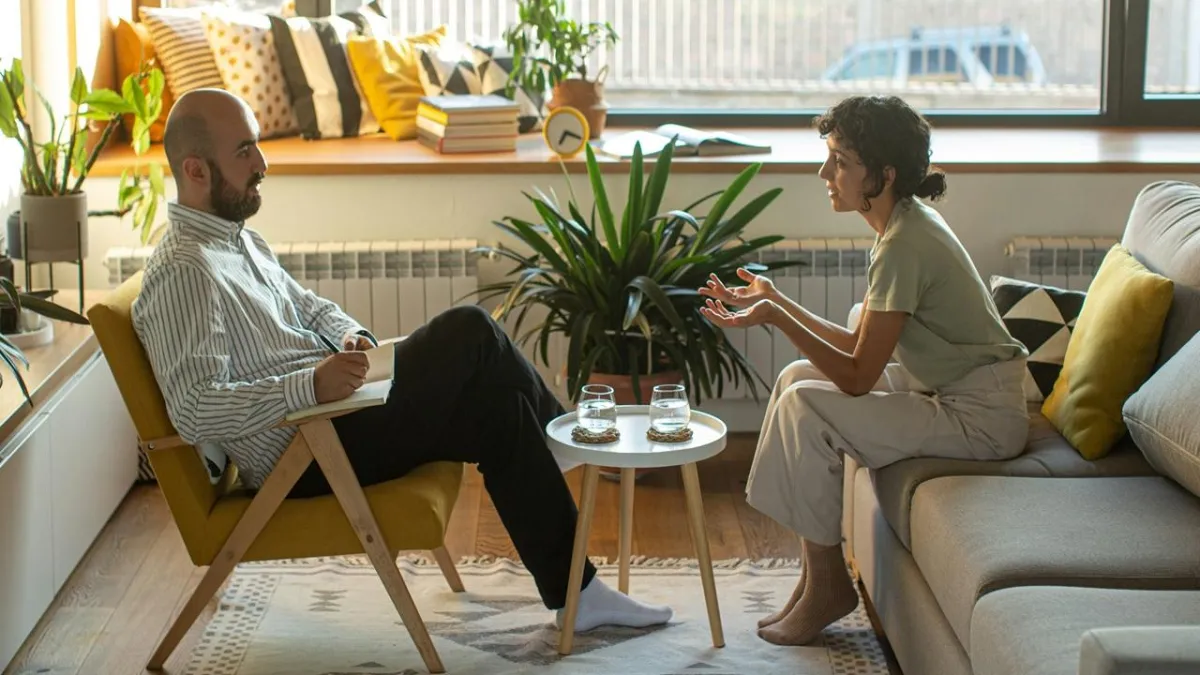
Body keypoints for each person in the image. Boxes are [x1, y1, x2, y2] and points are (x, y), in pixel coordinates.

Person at [132, 88, 672, 634]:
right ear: (196, 170)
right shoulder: (185, 270)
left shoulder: (239, 241)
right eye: (245, 151)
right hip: (308, 453)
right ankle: (561, 439)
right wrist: (310, 387)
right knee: (469, 329)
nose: (263, 165)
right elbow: (195, 409)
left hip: (339, 416)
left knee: (502, 411)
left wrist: (352, 336)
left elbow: (310, 308)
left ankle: (578, 597)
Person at [698, 95, 1029, 646]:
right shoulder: (903, 226)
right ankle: (816, 579)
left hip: (981, 417)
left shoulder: (906, 243)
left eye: (840, 161)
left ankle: (829, 585)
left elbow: (857, 376)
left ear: (884, 173)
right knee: (796, 380)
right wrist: (778, 300)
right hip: (950, 390)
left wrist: (778, 316)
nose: (825, 173)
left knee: (808, 407)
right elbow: (860, 348)